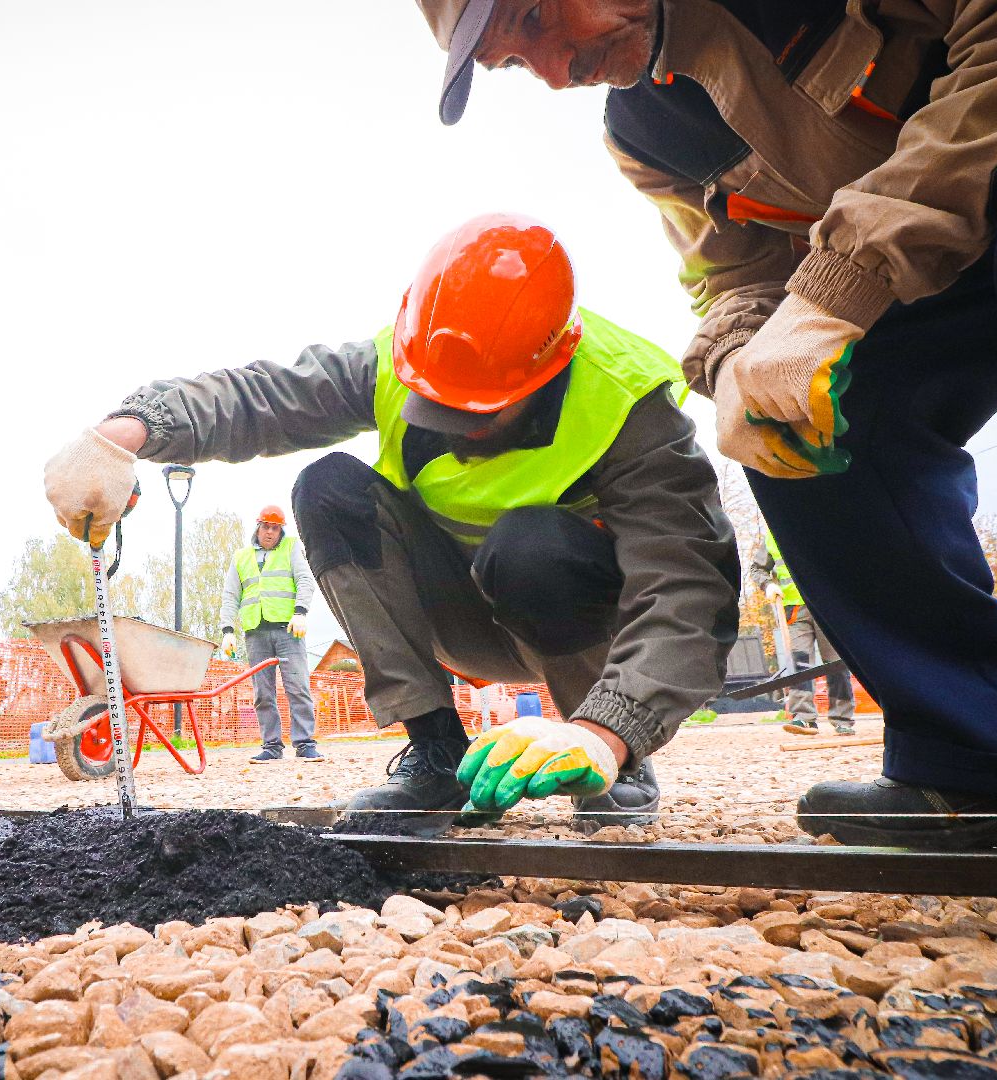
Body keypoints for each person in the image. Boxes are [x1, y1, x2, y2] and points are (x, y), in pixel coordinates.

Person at [411, 0, 997, 849]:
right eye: (511, 64)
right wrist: (735, 363)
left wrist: (839, 284)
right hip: (937, 256)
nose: (554, 72)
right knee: (783, 405)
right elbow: (734, 277)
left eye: (534, 20)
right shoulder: (648, 130)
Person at [43, 213, 740, 835]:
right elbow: (263, 397)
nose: (453, 430)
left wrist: (608, 732)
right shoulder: (401, 360)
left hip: (574, 621)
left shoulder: (630, 405)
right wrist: (127, 431)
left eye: (477, 413)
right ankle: (436, 754)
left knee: (530, 543)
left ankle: (613, 769)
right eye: (437, 407)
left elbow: (686, 593)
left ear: (545, 372)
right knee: (328, 488)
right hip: (457, 618)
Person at [219, 505, 324, 763]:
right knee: (262, 692)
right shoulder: (241, 557)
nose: (269, 532)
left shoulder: (290, 549)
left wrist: (300, 612)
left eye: (274, 528)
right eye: (265, 526)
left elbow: (305, 581)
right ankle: (272, 746)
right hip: (256, 633)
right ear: (257, 527)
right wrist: (227, 630)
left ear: (281, 530)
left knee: (298, 687)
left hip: (288, 630)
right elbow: (231, 594)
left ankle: (305, 743)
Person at [755, 529, 854, 737]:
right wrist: (768, 585)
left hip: (828, 606)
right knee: (799, 664)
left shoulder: (815, 523)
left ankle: (842, 719)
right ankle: (805, 718)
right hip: (794, 611)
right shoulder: (773, 535)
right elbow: (757, 568)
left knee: (836, 663)